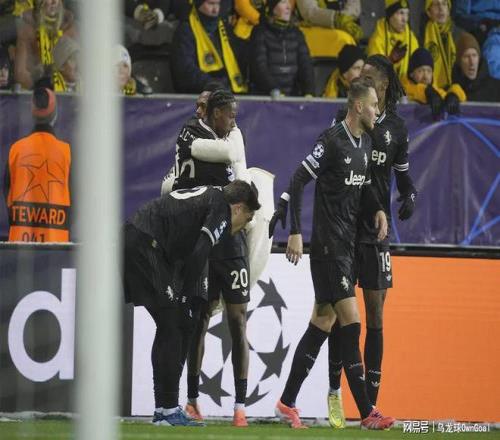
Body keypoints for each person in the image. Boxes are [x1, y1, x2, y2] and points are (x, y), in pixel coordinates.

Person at [270, 78, 394, 430]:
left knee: (321, 323)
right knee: (351, 322)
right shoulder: (331, 141)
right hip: (327, 248)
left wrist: (377, 209)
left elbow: (364, 185)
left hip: (346, 247)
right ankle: (368, 412)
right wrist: (296, 232)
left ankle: (286, 402)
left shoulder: (365, 143)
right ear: (358, 106)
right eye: (373, 105)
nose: (377, 111)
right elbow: (297, 179)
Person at [325, 55, 417, 429]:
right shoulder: (346, 118)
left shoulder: (396, 127)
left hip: (376, 234)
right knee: (338, 316)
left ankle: (371, 405)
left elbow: (403, 176)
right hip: (346, 229)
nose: (361, 80)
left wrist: (410, 196)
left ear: (384, 84)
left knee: (375, 316)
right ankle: (334, 393)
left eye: (368, 76)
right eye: (360, 75)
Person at [123, 180, 260, 426]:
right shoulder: (222, 209)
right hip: (145, 243)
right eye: (247, 219)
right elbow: (200, 251)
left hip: (141, 237)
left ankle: (163, 409)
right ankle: (167, 410)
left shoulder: (213, 196)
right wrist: (186, 296)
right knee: (174, 325)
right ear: (238, 208)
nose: (243, 227)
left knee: (171, 326)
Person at [169, 89, 253, 427]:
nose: (233, 119)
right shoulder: (197, 138)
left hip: (232, 243)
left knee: (238, 320)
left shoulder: (231, 138)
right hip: (204, 241)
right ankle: (192, 400)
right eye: (229, 114)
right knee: (199, 318)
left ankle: (240, 406)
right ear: (215, 113)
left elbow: (242, 178)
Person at [4, 86, 71, 242]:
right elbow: (75, 201)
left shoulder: (16, 150)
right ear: (55, 114)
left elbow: (7, 196)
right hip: (57, 245)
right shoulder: (66, 152)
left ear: (31, 113)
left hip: (20, 243)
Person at [171, 0, 247, 94]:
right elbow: (185, 70)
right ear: (199, 5)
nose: (215, 9)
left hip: (229, 91)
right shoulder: (186, 31)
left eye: (217, 4)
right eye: (211, 4)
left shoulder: (224, 28)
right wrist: (212, 84)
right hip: (200, 93)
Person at [249, 0, 314, 97]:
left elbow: (306, 65)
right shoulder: (260, 33)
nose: (288, 7)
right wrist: (274, 89)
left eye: (289, 3)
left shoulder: (297, 34)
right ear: (273, 9)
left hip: (293, 97)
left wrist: (309, 91)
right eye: (283, 2)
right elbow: (259, 67)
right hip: (267, 98)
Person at [14, 0, 78, 89]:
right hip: (36, 91)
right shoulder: (28, 31)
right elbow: (20, 74)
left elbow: (76, 71)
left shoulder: (69, 29)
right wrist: (40, 86)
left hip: (66, 93)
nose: (54, 2)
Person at [402, 47, 465, 118]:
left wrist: (454, 95)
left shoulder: (435, 93)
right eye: (420, 71)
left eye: (429, 71)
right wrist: (426, 92)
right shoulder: (402, 91)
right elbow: (410, 91)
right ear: (411, 74)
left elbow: (459, 94)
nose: (425, 76)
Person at [367, 0, 419, 80]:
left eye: (407, 14)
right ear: (390, 15)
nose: (405, 19)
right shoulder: (377, 39)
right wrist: (390, 60)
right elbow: (373, 74)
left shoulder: (411, 39)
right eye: (401, 13)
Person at [296, 0, 361, 58]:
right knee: (342, 38)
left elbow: (354, 9)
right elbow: (310, 12)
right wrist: (336, 19)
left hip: (344, 28)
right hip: (314, 29)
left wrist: (342, 19)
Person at [422, 0, 463, 91]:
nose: (441, 8)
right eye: (436, 4)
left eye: (444, 4)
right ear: (429, 11)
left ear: (448, 10)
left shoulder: (460, 36)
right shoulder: (421, 36)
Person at [451, 31, 500, 102]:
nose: (472, 62)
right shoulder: (452, 88)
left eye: (474, 55)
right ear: (459, 62)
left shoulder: (496, 88)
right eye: (466, 56)